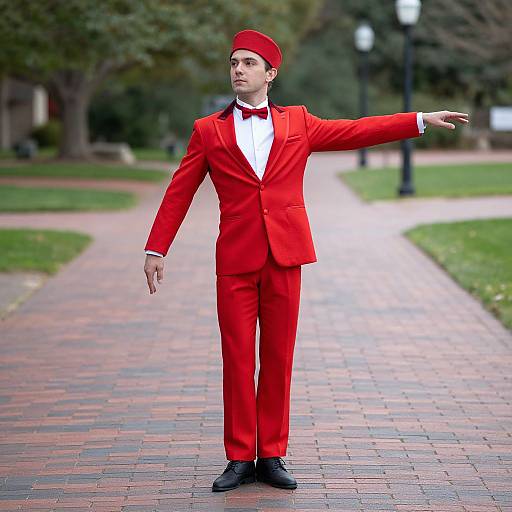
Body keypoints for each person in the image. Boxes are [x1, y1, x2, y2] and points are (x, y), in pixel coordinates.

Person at [143, 29, 469, 492]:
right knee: (236, 359)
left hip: (285, 255)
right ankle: (239, 457)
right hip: (234, 260)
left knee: (277, 357)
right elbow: (180, 189)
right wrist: (157, 247)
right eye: (234, 62)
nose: (238, 69)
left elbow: (356, 130)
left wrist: (418, 119)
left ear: (270, 74)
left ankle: (271, 454)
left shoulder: (298, 122)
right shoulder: (207, 130)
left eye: (249, 63)